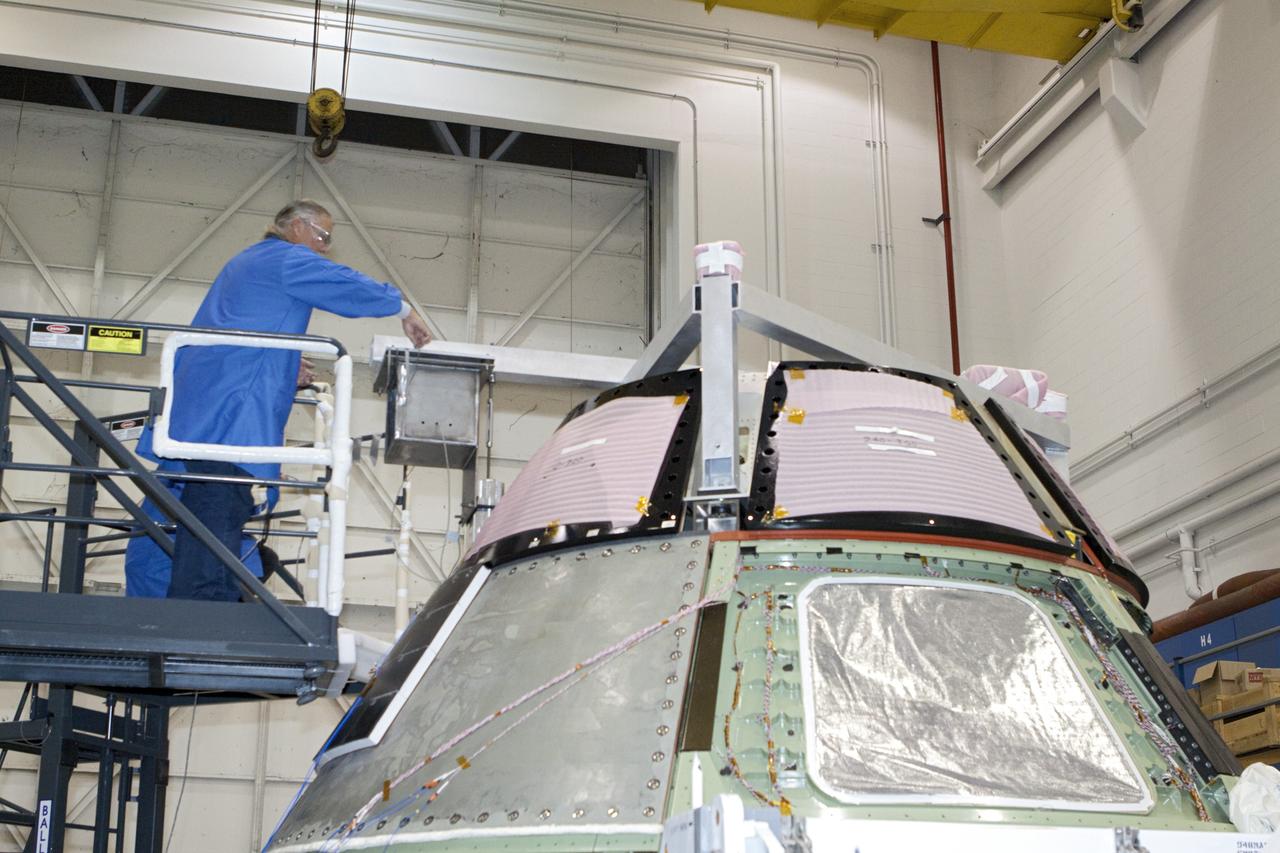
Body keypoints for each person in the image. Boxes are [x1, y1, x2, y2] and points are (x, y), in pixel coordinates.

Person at [137, 199, 431, 601]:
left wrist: (284, 365)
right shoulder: (286, 259)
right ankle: (202, 611)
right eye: (322, 236)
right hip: (230, 411)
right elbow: (340, 283)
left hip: (210, 399)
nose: (324, 247)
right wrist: (401, 308)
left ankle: (210, 605)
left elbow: (247, 328)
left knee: (213, 508)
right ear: (296, 227)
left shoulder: (249, 263)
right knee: (218, 504)